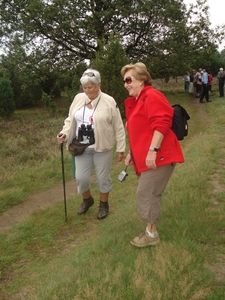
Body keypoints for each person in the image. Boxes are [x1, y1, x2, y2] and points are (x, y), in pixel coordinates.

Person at [121, 62, 184, 248]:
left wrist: (152, 151)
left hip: (161, 155)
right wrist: (132, 153)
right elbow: (140, 131)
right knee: (150, 193)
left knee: (146, 193)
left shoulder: (151, 96)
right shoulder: (139, 100)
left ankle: (152, 235)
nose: (125, 84)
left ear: (141, 80)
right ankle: (150, 232)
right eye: (124, 81)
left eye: (128, 80)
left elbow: (162, 123)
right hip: (152, 156)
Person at [57, 69, 126, 220]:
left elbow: (118, 126)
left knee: (103, 179)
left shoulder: (109, 101)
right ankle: (87, 200)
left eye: (91, 87)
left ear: (99, 85)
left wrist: (121, 148)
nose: (87, 90)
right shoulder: (78, 98)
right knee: (81, 178)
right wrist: (64, 133)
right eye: (85, 87)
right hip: (81, 147)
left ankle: (103, 205)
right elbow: (70, 120)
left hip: (102, 147)